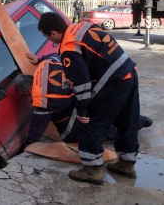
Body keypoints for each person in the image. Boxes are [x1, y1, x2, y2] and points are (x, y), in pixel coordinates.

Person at [38, 12, 141, 185]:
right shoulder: (83, 26)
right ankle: (127, 165)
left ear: (53, 33)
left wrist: (83, 109)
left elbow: (82, 82)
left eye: (47, 37)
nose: (50, 41)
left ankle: (92, 170)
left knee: (90, 124)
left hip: (112, 81)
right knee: (127, 120)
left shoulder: (68, 46)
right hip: (128, 73)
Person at [15, 53, 153, 145]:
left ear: (28, 89)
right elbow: (55, 56)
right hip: (85, 95)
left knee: (90, 134)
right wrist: (39, 59)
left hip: (73, 116)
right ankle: (140, 120)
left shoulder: (41, 100)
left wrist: (29, 145)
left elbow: (36, 128)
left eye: (24, 94)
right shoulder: (46, 64)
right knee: (108, 114)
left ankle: (126, 129)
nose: (26, 98)